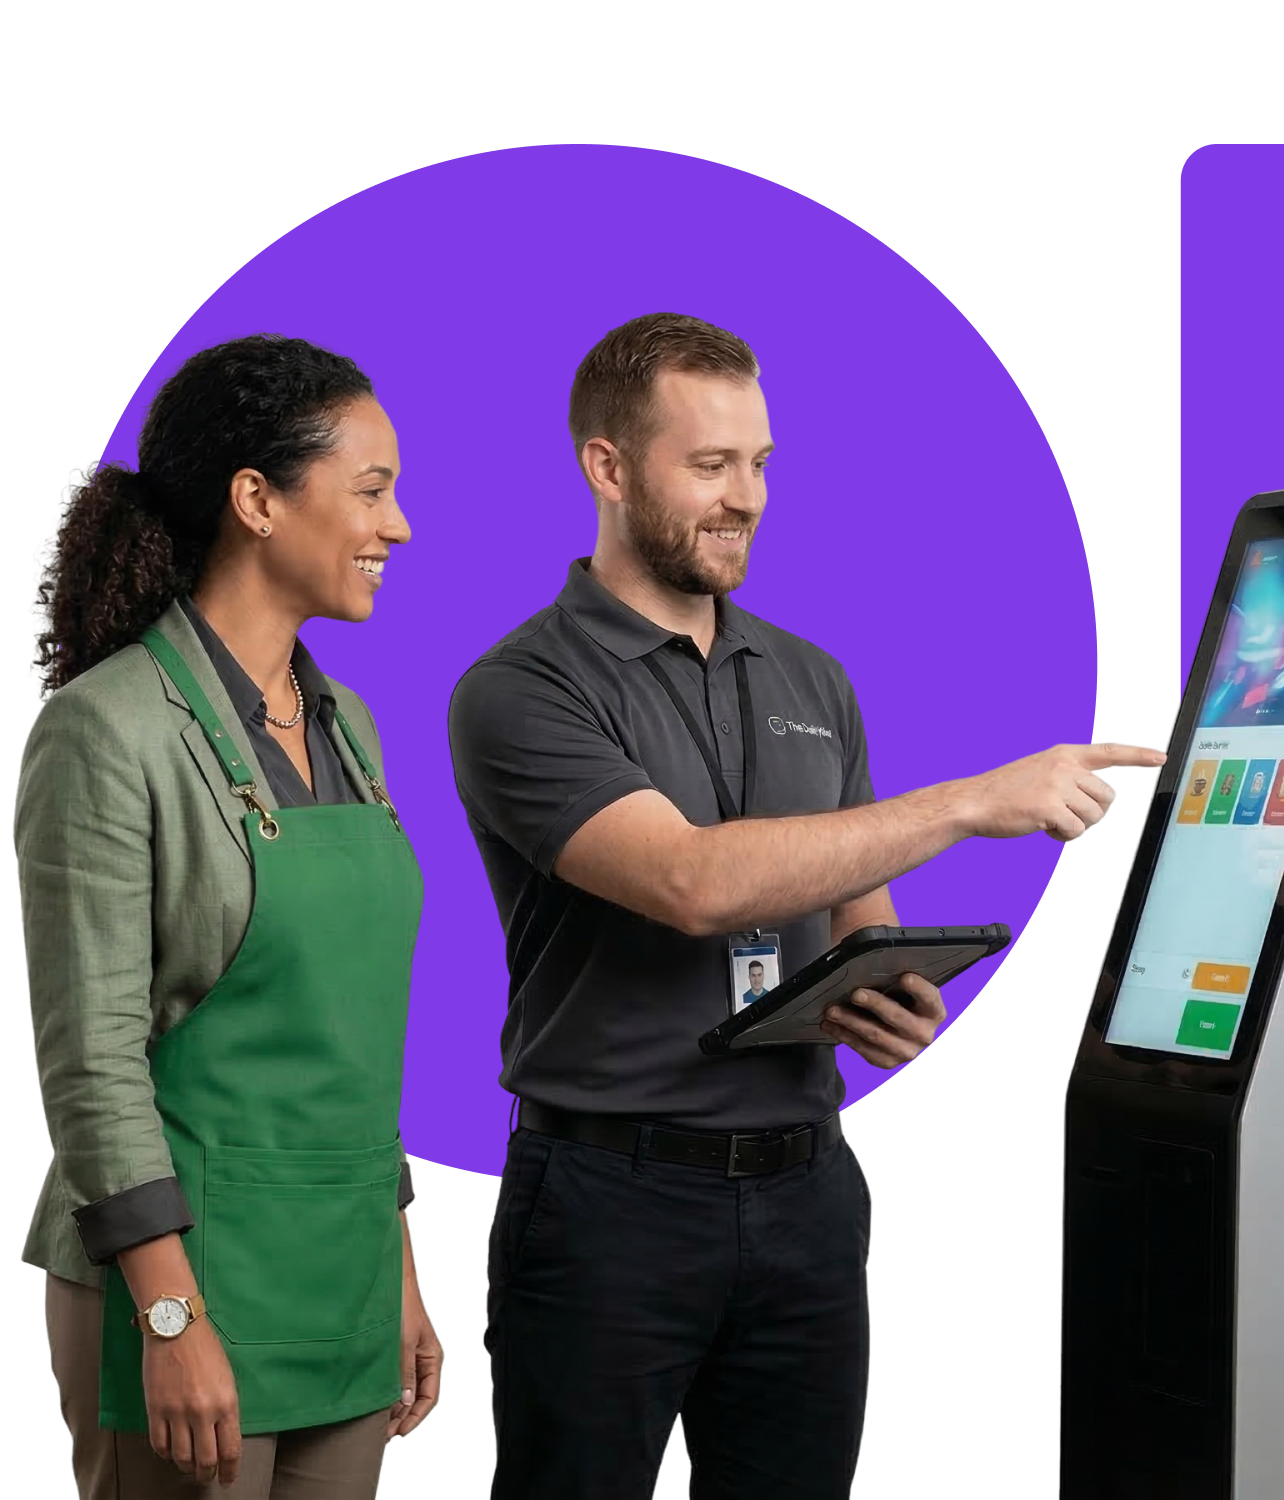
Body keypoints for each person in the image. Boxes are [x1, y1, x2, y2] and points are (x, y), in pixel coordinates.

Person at [445, 311, 1166, 1500]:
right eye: (710, 465)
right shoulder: (517, 690)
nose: (748, 499)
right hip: (607, 1209)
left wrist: (881, 992)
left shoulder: (810, 677)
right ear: (607, 468)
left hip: (808, 1198)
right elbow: (690, 882)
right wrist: (976, 802)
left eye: (762, 463)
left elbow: (848, 913)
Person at [16, 334, 442, 1500]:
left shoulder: (347, 722)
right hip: (178, 1271)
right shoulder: (106, 732)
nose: (395, 526)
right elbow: (89, 1060)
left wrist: (396, 1264)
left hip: (340, 1274)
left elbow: (351, 1037)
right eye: (370, 491)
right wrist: (165, 1313)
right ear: (255, 499)